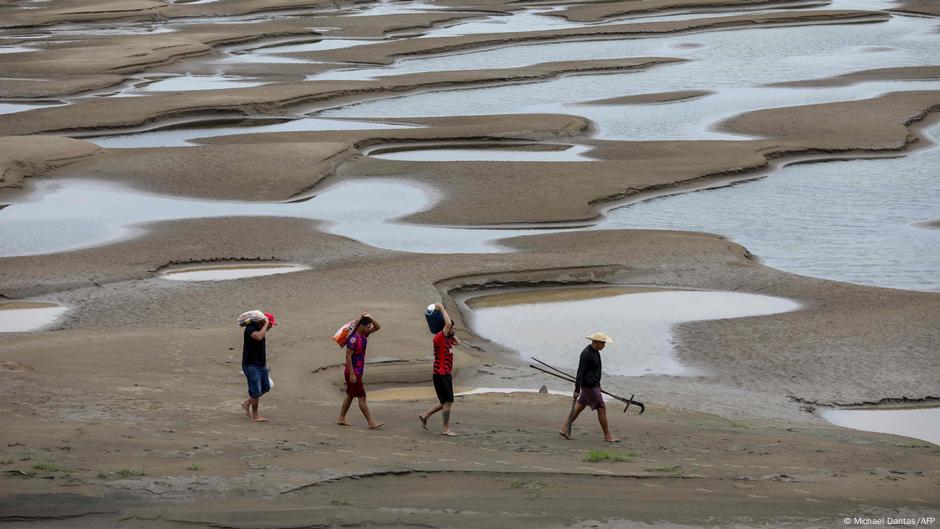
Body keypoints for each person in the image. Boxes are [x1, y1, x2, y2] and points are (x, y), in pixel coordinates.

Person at [559, 332, 618, 442]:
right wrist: (577, 390)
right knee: (601, 408)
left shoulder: (596, 351)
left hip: (593, 385)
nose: (604, 346)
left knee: (579, 408)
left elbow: (596, 370)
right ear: (595, 342)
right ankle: (607, 436)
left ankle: (564, 429)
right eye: (602, 343)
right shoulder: (586, 354)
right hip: (588, 386)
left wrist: (598, 385)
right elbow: (580, 372)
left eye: (604, 343)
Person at [337, 312, 384, 429]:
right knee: (362, 397)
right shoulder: (353, 339)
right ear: (361, 326)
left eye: (369, 327)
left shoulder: (364, 334)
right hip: (353, 373)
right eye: (367, 327)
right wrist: (352, 374)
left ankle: (341, 418)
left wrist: (370, 317)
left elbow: (378, 327)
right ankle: (370, 422)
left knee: (350, 395)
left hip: (358, 371)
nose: (369, 329)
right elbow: (347, 357)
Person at [419, 303, 460, 436]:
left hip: (443, 374)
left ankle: (425, 415)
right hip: (441, 374)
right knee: (448, 402)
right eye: (451, 327)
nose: (452, 328)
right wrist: (442, 308)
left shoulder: (448, 339)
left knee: (445, 401)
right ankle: (445, 428)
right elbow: (447, 325)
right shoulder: (439, 338)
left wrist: (452, 333)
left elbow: (459, 342)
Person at [241, 312, 276, 422]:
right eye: (271, 324)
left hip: (261, 364)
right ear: (264, 322)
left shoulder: (261, 329)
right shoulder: (250, 328)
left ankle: (247, 403)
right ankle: (255, 416)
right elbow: (259, 337)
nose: (271, 327)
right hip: (251, 365)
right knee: (255, 391)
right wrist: (266, 324)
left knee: (266, 387)